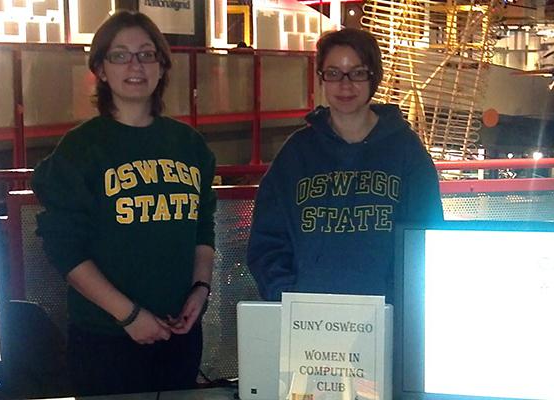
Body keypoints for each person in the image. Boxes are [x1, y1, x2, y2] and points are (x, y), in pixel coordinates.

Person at [31, 10, 216, 396]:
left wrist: (201, 289)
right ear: (100, 68)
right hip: (106, 338)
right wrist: (129, 315)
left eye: (147, 54)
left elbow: (203, 228)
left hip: (179, 333)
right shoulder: (81, 148)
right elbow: (63, 250)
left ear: (163, 66)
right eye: (120, 55)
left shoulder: (189, 144)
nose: (136, 65)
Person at [247, 28, 443, 303]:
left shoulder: (406, 150)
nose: (345, 85)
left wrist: (401, 301)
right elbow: (267, 239)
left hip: (386, 314)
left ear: (375, 77)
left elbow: (426, 234)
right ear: (321, 79)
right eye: (334, 73)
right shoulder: (296, 153)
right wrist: (288, 296)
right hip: (308, 317)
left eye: (358, 72)